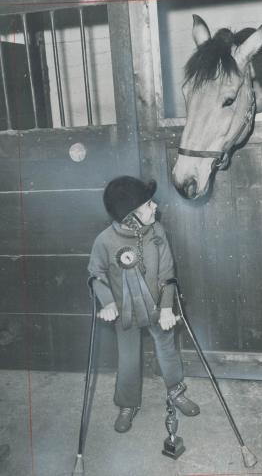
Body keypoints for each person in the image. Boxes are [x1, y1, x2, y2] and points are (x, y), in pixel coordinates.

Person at [88, 176, 200, 433]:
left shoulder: (157, 231)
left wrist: (167, 307)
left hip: (156, 309)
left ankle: (175, 391)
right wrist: (107, 302)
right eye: (149, 205)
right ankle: (127, 404)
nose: (155, 207)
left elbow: (167, 273)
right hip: (124, 314)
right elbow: (95, 275)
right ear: (130, 216)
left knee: (167, 350)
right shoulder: (104, 241)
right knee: (127, 359)